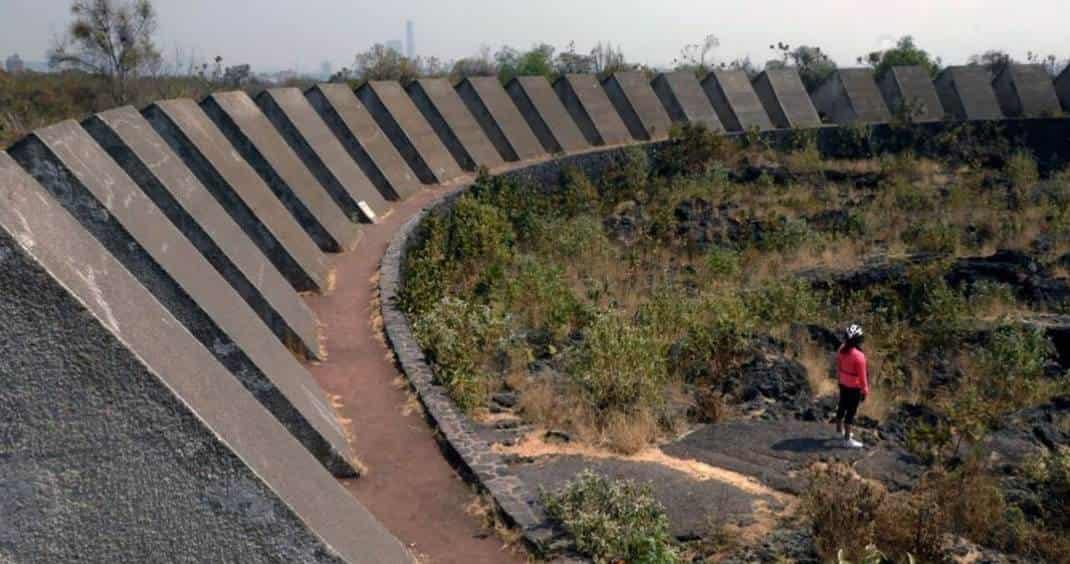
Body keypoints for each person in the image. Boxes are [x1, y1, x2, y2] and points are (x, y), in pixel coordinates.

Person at [834, 324, 868, 448]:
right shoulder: (859, 356)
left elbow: (838, 367)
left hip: (843, 383)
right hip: (854, 386)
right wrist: (865, 391)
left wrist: (839, 379)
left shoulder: (841, 349)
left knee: (842, 406)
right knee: (851, 412)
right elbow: (862, 376)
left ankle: (839, 431)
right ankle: (847, 439)